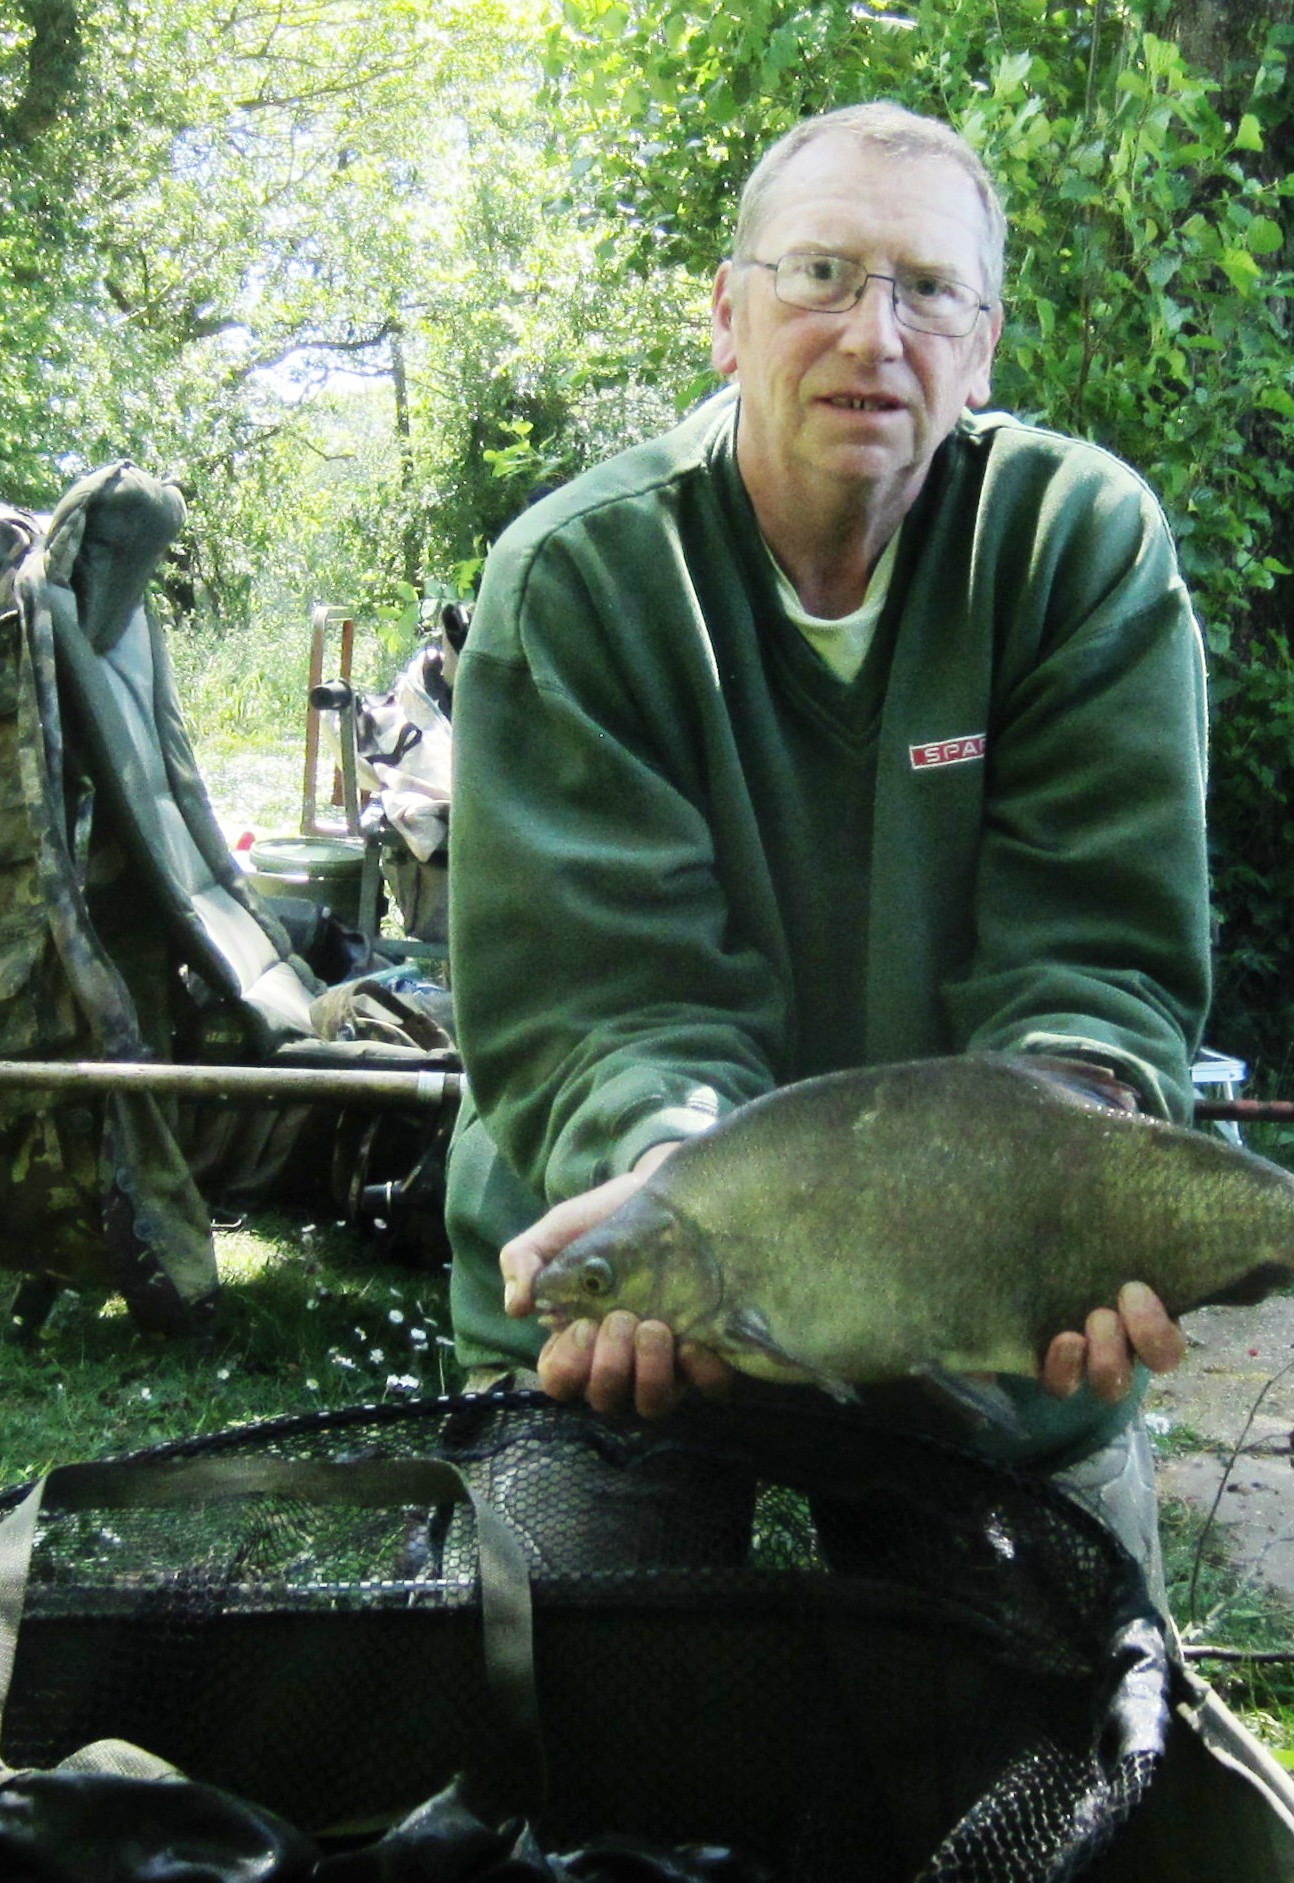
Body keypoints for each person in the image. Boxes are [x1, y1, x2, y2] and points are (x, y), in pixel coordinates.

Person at [440, 100, 1210, 1585]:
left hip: (976, 1304)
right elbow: (609, 1007)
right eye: (819, 276)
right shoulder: (582, 580)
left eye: (927, 291)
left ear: (982, 346)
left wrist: (1081, 1159)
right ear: (726, 315)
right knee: (577, 1745)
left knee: (1047, 1700)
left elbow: (1095, 958)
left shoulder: (1074, 545)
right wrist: (677, 1214)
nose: (874, 335)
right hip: (620, 1295)